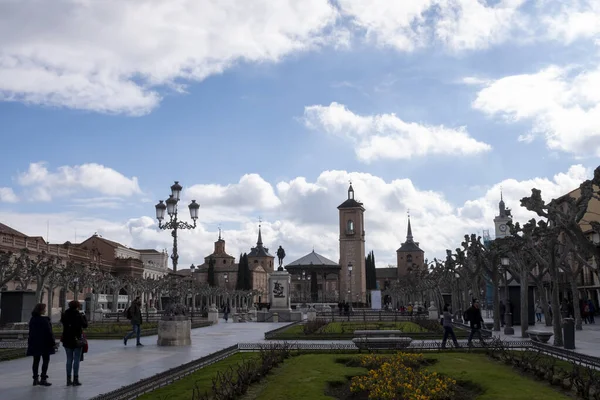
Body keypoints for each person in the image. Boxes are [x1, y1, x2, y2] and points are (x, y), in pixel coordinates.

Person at [27, 303, 56, 387]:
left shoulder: (32, 319)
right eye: (44, 309)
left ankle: (35, 379)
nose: (45, 310)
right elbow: (49, 333)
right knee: (45, 361)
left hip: (35, 343)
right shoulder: (45, 320)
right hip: (45, 344)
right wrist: (53, 343)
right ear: (41, 310)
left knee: (36, 361)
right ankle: (43, 378)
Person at [61, 300, 88, 386]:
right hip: (77, 339)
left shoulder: (65, 314)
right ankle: (75, 379)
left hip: (66, 339)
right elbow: (85, 325)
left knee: (69, 359)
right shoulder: (78, 315)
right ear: (77, 306)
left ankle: (68, 380)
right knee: (76, 359)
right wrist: (84, 316)